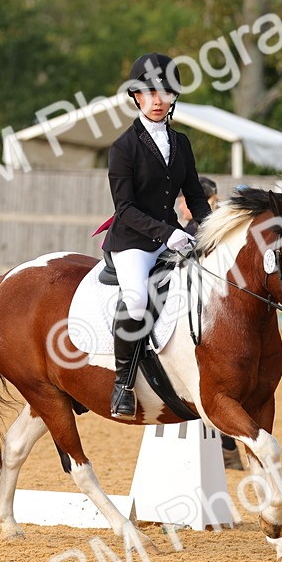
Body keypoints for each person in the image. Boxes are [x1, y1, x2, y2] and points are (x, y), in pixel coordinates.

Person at [102, 53, 212, 419]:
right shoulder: (123, 147)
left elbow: (195, 195)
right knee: (136, 301)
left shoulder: (181, 143)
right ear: (136, 97)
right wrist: (170, 234)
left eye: (164, 93)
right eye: (148, 93)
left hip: (172, 236)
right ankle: (123, 382)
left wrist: (210, 230)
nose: (157, 100)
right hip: (133, 240)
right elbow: (125, 208)